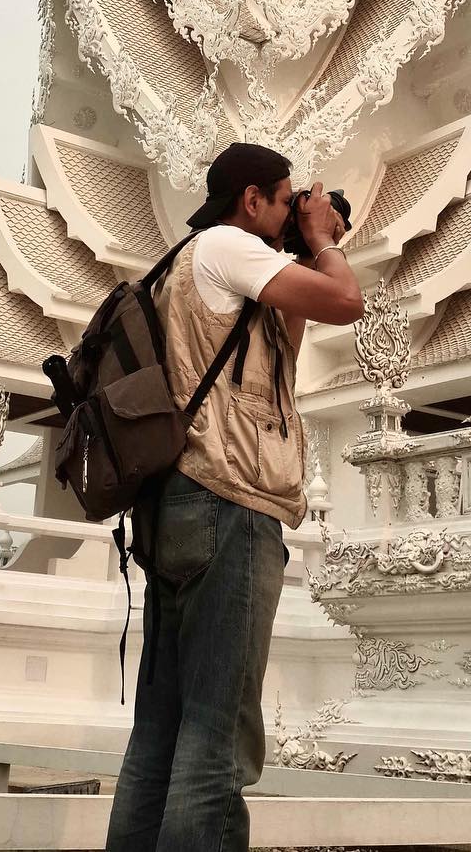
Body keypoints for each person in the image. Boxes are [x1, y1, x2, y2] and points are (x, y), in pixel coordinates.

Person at [105, 142, 364, 852]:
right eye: (283, 199)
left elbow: (277, 352)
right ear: (251, 200)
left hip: (177, 507)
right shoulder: (228, 245)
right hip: (230, 504)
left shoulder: (188, 265)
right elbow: (348, 300)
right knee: (216, 740)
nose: (291, 211)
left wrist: (301, 250)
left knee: (160, 736)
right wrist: (318, 242)